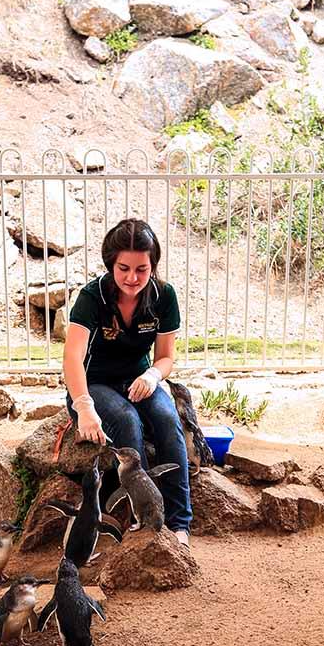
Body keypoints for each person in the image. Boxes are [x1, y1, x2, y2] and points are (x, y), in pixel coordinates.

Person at [62, 218, 192, 546]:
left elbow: (165, 357)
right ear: (111, 264)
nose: (132, 278)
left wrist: (152, 375)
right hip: (93, 386)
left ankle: (180, 522)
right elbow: (72, 358)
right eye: (123, 268)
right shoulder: (92, 297)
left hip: (138, 379)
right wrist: (84, 406)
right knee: (126, 420)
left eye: (142, 269)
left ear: (153, 267)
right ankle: (145, 522)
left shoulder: (164, 296)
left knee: (166, 417)